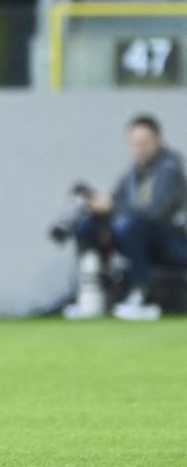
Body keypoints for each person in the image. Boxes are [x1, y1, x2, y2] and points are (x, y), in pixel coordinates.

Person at [73, 115, 187, 319]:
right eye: (134, 144)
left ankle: (141, 294)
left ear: (158, 141)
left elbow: (155, 212)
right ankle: (91, 295)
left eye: (144, 143)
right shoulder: (133, 173)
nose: (139, 148)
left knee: (129, 226)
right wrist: (97, 203)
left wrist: (113, 206)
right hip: (139, 235)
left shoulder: (170, 169)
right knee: (88, 225)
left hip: (173, 241)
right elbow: (115, 199)